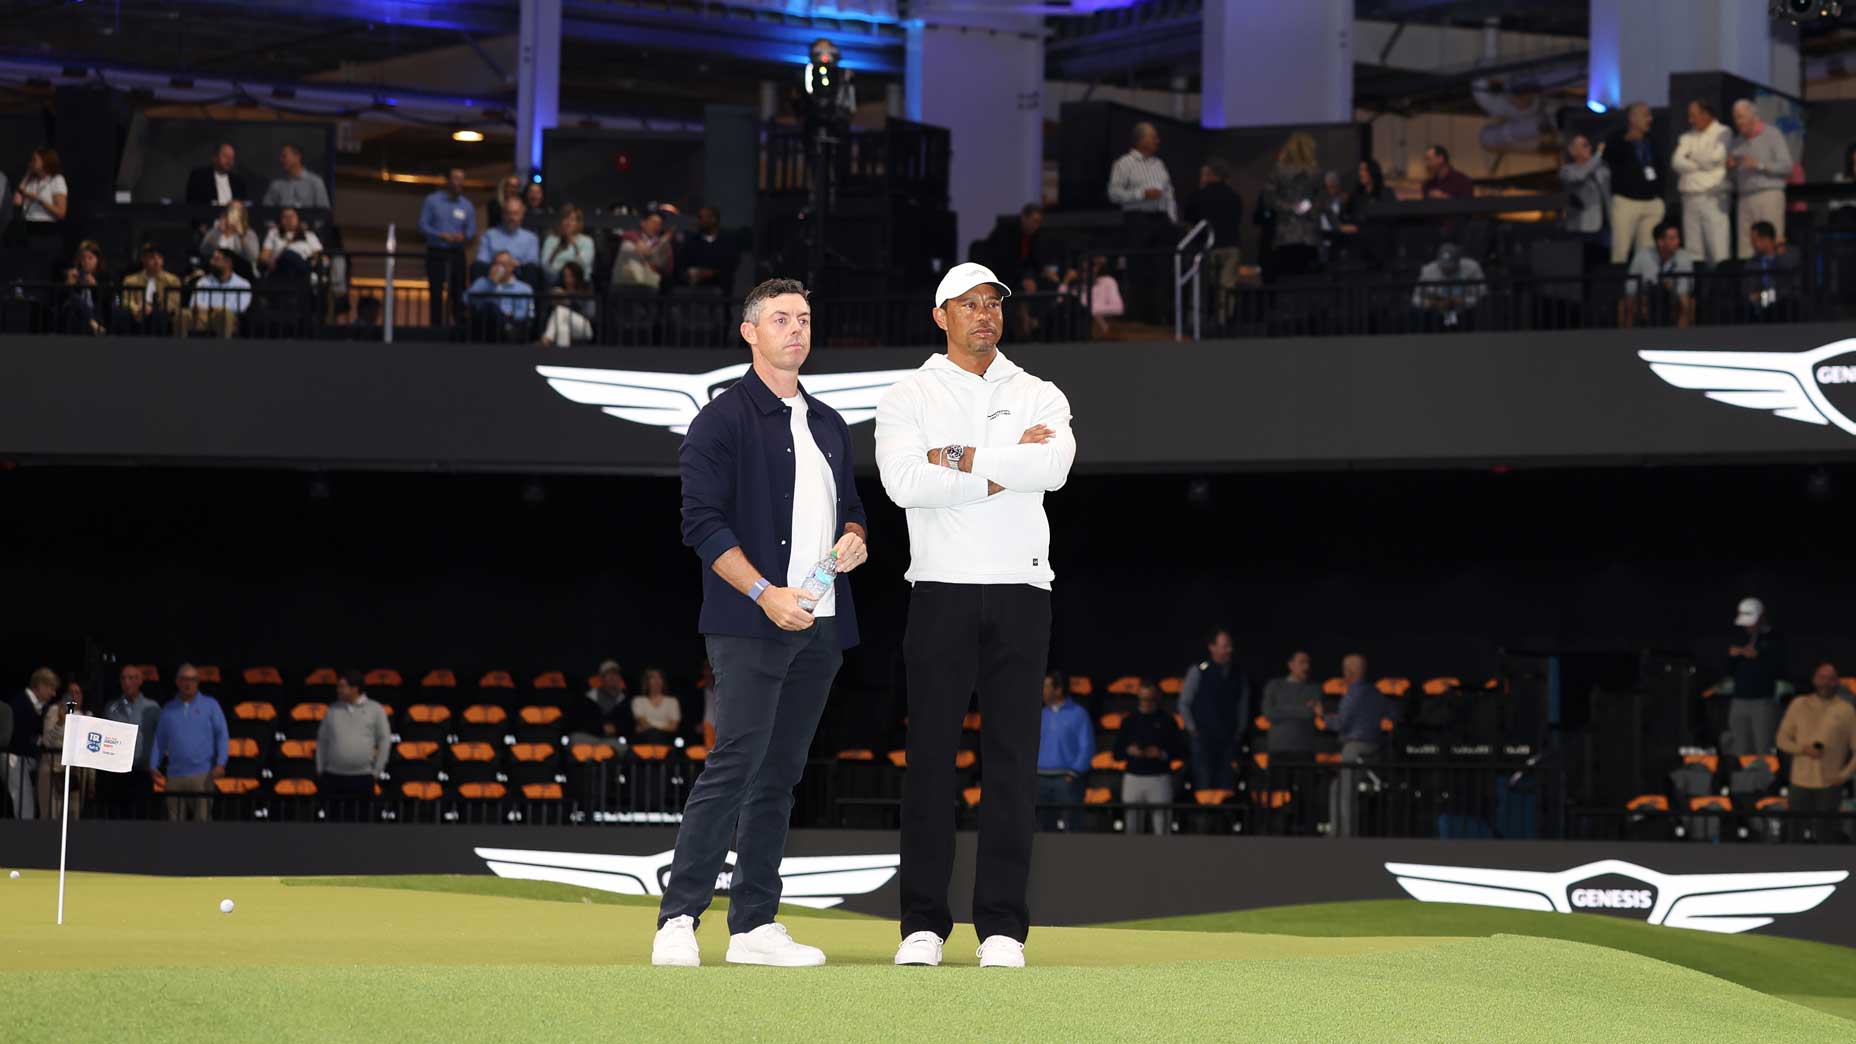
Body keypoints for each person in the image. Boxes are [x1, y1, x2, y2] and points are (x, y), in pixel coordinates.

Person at [652, 277, 870, 969]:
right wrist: (762, 593)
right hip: (751, 622)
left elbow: (854, 506)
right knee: (735, 764)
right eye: (780, 319)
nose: (796, 330)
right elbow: (700, 523)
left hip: (822, 623)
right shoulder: (720, 419)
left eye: (804, 318)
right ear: (750, 332)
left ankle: (753, 926)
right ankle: (678, 918)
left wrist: (856, 537)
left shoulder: (829, 422)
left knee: (780, 774)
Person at [877, 261, 1076, 970]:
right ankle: (922, 926)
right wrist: (1003, 467)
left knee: (1013, 763)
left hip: (1022, 590)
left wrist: (960, 461)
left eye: (994, 303)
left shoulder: (1040, 392)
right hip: (940, 588)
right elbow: (904, 482)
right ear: (942, 315)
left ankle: (1001, 928)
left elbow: (1052, 470)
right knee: (929, 760)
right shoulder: (908, 394)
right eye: (969, 304)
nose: (985, 314)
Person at [1776, 662, 1856, 843]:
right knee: (1795, 835)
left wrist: (1844, 775)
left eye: (1831, 679)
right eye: (1823, 677)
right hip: (1800, 782)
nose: (1827, 682)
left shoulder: (1846, 710)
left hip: (1830, 783)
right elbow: (1781, 740)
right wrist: (1802, 749)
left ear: (1837, 682)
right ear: (1814, 679)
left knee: (1826, 837)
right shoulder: (1799, 704)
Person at [1107, 122, 1177, 324]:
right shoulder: (1124, 164)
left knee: (1162, 268)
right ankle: (1138, 316)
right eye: (1153, 136)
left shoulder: (1159, 164)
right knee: (1139, 268)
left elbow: (1170, 194)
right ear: (1141, 140)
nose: (1157, 140)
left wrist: (1171, 219)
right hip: (1138, 220)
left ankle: (1161, 315)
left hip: (1161, 219)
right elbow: (1114, 194)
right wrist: (1141, 194)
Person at [148, 664, 229, 822]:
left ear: (197, 682)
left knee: (202, 825)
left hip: (202, 775)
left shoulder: (211, 706)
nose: (188, 683)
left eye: (192, 679)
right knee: (174, 827)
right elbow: (160, 739)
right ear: (177, 682)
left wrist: (221, 763)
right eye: (184, 679)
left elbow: (222, 735)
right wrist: (153, 765)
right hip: (174, 777)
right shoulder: (168, 709)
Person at [313, 669, 390, 821]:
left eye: (342, 686)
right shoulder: (332, 710)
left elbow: (384, 740)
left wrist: (377, 771)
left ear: (355, 688)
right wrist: (320, 768)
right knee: (333, 824)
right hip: (333, 777)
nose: (338, 690)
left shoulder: (375, 709)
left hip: (363, 778)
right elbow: (322, 740)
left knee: (361, 825)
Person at [1179, 629, 1249, 793]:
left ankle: (1224, 818)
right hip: (1203, 738)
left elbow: (1242, 706)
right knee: (1204, 783)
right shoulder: (1199, 670)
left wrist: (1239, 732)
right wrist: (1193, 729)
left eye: (1230, 646)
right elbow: (1184, 703)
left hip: (1228, 739)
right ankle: (1204, 818)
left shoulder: (1239, 674)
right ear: (1212, 647)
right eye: (1225, 646)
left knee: (1227, 785)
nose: (1229, 650)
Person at [1115, 679, 1185, 835]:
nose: (1146, 703)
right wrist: (1129, 751)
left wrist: (1161, 753)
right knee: (1132, 827)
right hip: (1133, 777)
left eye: (1150, 699)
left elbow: (1180, 750)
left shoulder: (1167, 721)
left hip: (1159, 778)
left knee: (1162, 827)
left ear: (1157, 699)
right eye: (1142, 699)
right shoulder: (1129, 721)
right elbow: (1116, 753)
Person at [1330, 654, 1385, 839]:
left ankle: (1345, 835)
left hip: (1354, 747)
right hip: (1373, 747)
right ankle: (1337, 831)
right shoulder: (1376, 692)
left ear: (1350, 672)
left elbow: (1341, 723)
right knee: (1337, 787)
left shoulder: (1353, 693)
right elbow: (1392, 714)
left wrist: (1322, 716)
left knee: (1346, 791)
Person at [1729, 99, 1792, 260]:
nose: (1738, 122)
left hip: (1769, 194)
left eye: (1741, 117)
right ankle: (1749, 283)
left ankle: (1777, 281)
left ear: (1754, 116)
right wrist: (1731, 168)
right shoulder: (1737, 142)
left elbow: (1787, 167)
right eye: (1736, 118)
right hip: (1744, 197)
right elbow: (1733, 177)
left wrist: (1760, 165)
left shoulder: (1772, 134)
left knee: (1772, 243)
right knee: (1745, 247)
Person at [1725, 597, 1787, 757]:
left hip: (1762, 701)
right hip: (1739, 700)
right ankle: (1743, 780)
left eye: (1751, 622)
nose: (1748, 627)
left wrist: (1759, 656)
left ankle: (1763, 781)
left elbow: (1780, 668)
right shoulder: (1738, 637)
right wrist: (1734, 656)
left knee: (1763, 747)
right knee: (1739, 747)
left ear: (1761, 618)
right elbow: (1728, 670)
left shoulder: (1775, 638)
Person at [1604, 103, 1665, 265]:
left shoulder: (1652, 140)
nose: (1650, 119)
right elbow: (1608, 158)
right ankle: (1622, 288)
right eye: (1646, 115)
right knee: (1620, 252)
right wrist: (1625, 141)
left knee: (1647, 255)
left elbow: (1660, 169)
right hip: (1626, 203)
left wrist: (1660, 196)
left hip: (1651, 203)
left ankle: (1645, 288)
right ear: (1632, 118)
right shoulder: (1616, 138)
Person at [1672, 100, 1731, 265]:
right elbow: (1676, 161)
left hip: (1712, 196)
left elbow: (1715, 158)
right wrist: (1701, 162)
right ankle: (1696, 288)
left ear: (1706, 115)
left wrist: (1692, 157)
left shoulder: (1723, 132)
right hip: (1690, 196)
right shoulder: (1687, 136)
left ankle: (1720, 287)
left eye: (1694, 116)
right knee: (1693, 249)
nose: (1690, 120)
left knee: (1717, 247)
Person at [1034, 672, 1093, 832]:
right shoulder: (1039, 715)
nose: (1041, 690)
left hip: (1067, 779)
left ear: (1058, 689)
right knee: (1042, 826)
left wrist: (1074, 772)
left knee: (1071, 824)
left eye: (1045, 686)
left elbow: (1087, 746)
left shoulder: (1078, 714)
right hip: (1040, 779)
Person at [419, 167, 477, 326]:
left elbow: (471, 230)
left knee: (458, 291)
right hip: (436, 251)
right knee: (436, 290)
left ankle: (458, 328)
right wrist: (440, 234)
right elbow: (423, 225)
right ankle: (435, 327)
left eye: (462, 179)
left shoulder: (467, 205)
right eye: (456, 178)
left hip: (457, 252)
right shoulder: (432, 200)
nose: (459, 182)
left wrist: (464, 236)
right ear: (448, 181)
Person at [101, 665, 161, 816]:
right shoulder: (112, 708)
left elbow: (160, 738)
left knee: (141, 818)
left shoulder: (152, 707)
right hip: (117, 773)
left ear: (140, 681)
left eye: (132, 678)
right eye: (124, 678)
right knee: (118, 817)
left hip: (143, 771)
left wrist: (155, 764)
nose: (127, 682)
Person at [1264, 133, 1323, 279]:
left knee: (1287, 280)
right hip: (1310, 234)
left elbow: (1269, 200)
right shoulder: (1315, 172)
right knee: (1308, 281)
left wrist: (1290, 208)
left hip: (1285, 233)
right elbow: (1320, 199)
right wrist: (1307, 207)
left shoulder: (1278, 170)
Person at [1190, 161, 1244, 317]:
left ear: (1210, 175)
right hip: (1231, 245)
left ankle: (1196, 321)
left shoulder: (1200, 195)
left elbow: (1190, 216)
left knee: (1201, 287)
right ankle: (1224, 321)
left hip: (1207, 246)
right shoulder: (1235, 197)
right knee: (1227, 287)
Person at [1623, 222, 1696, 329]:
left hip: (1673, 299)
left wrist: (1671, 289)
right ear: (1660, 242)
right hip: (1646, 298)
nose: (1677, 242)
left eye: (1677, 238)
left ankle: (1682, 341)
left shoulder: (1683, 257)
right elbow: (1630, 288)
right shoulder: (1642, 256)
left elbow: (1684, 290)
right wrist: (1641, 299)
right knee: (1627, 303)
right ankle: (1627, 341)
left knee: (1686, 304)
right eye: (1672, 238)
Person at [6, 669, 57, 819]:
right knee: (24, 804)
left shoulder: (40, 708)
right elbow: (20, 737)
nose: (53, 693)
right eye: (51, 688)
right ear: (40, 685)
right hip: (14, 759)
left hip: (26, 760)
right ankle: (22, 838)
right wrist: (39, 742)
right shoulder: (20, 703)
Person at [38, 679, 88, 821]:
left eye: (77, 693)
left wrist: (90, 780)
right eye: (70, 693)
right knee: (51, 816)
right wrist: (61, 721)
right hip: (52, 771)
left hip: (75, 774)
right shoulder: (55, 710)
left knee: (73, 817)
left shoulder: (85, 716)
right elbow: (48, 741)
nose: (74, 696)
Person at [1410, 242, 1486, 330]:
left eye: (1451, 266)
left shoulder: (1472, 267)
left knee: (1474, 314)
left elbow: (1482, 294)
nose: (1447, 269)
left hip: (1465, 311)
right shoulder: (1427, 270)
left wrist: (1460, 301)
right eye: (1443, 266)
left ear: (1458, 261)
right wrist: (1432, 303)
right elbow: (1415, 298)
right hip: (1437, 311)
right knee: (1416, 312)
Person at [180, 248, 253, 338]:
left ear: (228, 263)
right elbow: (194, 304)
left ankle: (222, 350)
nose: (212, 263)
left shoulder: (242, 284)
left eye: (216, 259)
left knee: (225, 314)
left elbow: (240, 308)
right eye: (212, 259)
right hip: (203, 317)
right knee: (183, 314)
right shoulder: (203, 281)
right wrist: (213, 310)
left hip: (229, 319)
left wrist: (216, 310)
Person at [1262, 651, 1322, 757]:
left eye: (1308, 662)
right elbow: (1269, 713)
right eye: (1302, 662)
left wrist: (1281, 709)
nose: (1306, 666)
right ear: (1291, 665)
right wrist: (1303, 709)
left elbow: (1310, 713)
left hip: (1305, 748)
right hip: (1279, 747)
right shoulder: (1274, 686)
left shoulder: (1314, 688)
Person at [115, 243, 182, 336]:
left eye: (159, 258)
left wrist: (152, 309)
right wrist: (136, 309)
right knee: (123, 315)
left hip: (160, 313)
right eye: (152, 258)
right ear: (143, 260)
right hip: (137, 312)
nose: (156, 261)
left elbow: (174, 302)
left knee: (158, 316)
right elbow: (126, 299)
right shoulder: (130, 280)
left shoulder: (172, 280)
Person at [466, 250, 536, 338]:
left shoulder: (524, 289)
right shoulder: (482, 282)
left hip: (509, 326)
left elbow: (528, 313)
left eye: (503, 265)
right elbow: (465, 299)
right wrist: (490, 283)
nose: (498, 267)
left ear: (511, 267)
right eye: (496, 264)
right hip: (482, 323)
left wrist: (509, 314)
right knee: (489, 308)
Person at [12, 146, 69, 253]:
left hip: (46, 231)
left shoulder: (56, 180)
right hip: (29, 228)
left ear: (45, 161)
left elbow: (61, 213)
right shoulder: (32, 181)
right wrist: (27, 174)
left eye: (35, 160)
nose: (31, 163)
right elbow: (16, 201)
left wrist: (38, 200)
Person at [1743, 221, 1801, 323]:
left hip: (1785, 303)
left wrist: (1780, 253)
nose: (1752, 244)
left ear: (1766, 239)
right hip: (1762, 307)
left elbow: (1789, 283)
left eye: (1755, 240)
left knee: (1781, 303)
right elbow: (1750, 291)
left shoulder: (1790, 254)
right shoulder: (1752, 263)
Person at [1558, 134, 1611, 246]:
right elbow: (1580, 176)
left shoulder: (1600, 168)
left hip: (1603, 225)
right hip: (1581, 228)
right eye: (1585, 145)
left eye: (1589, 145)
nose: (1590, 148)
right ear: (1573, 151)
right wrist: (1598, 154)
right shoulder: (1567, 171)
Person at [569, 660, 630, 745]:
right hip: (591, 738)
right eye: (608, 674)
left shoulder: (626, 700)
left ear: (620, 678)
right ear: (601, 678)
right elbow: (580, 722)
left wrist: (616, 728)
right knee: (575, 738)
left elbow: (629, 725)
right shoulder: (588, 698)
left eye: (615, 674)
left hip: (614, 740)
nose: (612, 677)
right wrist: (601, 728)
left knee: (624, 746)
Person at [676, 206, 738, 290]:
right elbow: (682, 263)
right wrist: (692, 272)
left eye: (701, 218)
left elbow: (731, 264)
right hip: (695, 287)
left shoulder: (727, 242)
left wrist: (713, 273)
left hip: (721, 288)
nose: (699, 221)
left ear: (713, 219)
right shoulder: (692, 241)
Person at [539, 261, 597, 347]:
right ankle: (562, 358)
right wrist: (553, 302)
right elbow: (548, 315)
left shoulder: (586, 289)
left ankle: (546, 339)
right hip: (563, 324)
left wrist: (570, 303)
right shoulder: (559, 289)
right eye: (565, 276)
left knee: (560, 310)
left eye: (570, 276)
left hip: (584, 327)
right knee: (562, 329)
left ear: (577, 276)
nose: (567, 279)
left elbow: (591, 313)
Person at [613, 211, 673, 289]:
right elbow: (628, 235)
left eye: (659, 224)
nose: (656, 226)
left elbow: (668, 268)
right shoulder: (631, 237)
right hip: (624, 285)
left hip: (649, 286)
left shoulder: (662, 244)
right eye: (653, 222)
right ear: (643, 223)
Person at [260, 144, 330, 210]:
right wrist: (272, 223)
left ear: (297, 157)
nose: (281, 160)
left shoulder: (315, 182)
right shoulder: (276, 184)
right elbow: (266, 211)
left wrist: (310, 223)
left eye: (284, 156)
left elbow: (323, 211)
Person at [477, 197, 541, 270]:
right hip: (494, 273)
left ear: (521, 215)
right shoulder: (489, 235)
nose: (511, 217)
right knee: (477, 267)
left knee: (531, 269)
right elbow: (482, 261)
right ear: (502, 214)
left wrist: (510, 264)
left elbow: (532, 264)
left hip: (519, 275)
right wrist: (500, 263)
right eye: (508, 213)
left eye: (515, 213)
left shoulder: (531, 238)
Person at [259, 207, 323, 279]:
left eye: (292, 216)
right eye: (285, 217)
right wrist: (269, 263)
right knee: (288, 254)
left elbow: (319, 254)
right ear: (281, 220)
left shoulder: (309, 235)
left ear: (297, 218)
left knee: (291, 255)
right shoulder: (273, 233)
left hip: (303, 266)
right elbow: (264, 256)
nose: (289, 219)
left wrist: (313, 262)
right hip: (280, 267)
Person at [198, 200, 260, 274]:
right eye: (232, 210)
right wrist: (218, 231)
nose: (235, 214)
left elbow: (252, 257)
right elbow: (204, 251)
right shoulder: (215, 231)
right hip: (216, 272)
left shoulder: (249, 233)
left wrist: (242, 236)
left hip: (241, 273)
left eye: (238, 211)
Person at [60, 240, 108, 335]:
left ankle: (92, 321)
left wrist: (95, 287)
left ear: (97, 260)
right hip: (78, 317)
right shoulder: (75, 275)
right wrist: (69, 284)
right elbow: (62, 299)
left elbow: (106, 301)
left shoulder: (104, 276)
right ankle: (92, 322)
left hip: (97, 315)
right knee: (72, 299)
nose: (86, 262)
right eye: (83, 258)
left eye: (90, 258)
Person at [541, 204, 595, 286]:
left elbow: (584, 264)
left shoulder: (587, 241)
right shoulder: (551, 240)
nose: (568, 223)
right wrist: (555, 253)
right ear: (560, 221)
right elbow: (545, 266)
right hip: (556, 280)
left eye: (572, 219)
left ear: (578, 223)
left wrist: (575, 246)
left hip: (580, 281)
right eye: (565, 219)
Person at [630, 668, 682, 742]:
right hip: (645, 738)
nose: (657, 680)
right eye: (653, 677)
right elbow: (643, 723)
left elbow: (673, 726)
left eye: (659, 677)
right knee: (652, 735)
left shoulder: (672, 701)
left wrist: (653, 728)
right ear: (647, 682)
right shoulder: (638, 700)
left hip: (666, 738)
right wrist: (663, 726)